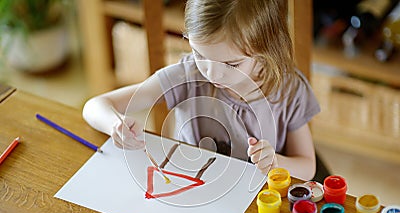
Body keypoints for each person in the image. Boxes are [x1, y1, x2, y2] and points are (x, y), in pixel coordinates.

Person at [82, 0, 321, 181]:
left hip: (257, 200)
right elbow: (96, 105)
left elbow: (307, 167)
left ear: (265, 49)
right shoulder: (189, 76)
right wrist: (116, 125)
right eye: (199, 54)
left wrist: (275, 162)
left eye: (231, 64)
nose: (212, 73)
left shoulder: (289, 90)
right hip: (193, 188)